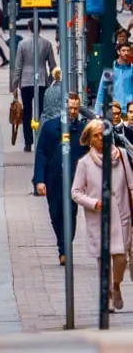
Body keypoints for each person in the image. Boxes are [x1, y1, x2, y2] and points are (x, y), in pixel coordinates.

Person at [72, 118, 133, 310]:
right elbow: (75, 192)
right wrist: (93, 203)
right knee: (104, 259)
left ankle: (116, 285)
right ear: (90, 140)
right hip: (100, 218)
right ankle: (106, 295)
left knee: (121, 258)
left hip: (121, 214)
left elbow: (131, 184)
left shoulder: (121, 155)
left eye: (104, 135)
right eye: (97, 136)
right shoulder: (84, 164)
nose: (101, 139)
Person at [36, 93, 90, 264]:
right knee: (55, 213)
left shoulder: (82, 130)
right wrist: (39, 180)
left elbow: (88, 155)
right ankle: (62, 244)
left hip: (74, 180)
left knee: (71, 213)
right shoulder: (51, 127)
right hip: (53, 179)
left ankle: (64, 248)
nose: (73, 111)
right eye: (70, 108)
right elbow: (41, 154)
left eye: (76, 108)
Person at [11, 21, 58, 152]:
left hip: (26, 82)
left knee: (27, 112)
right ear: (41, 28)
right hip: (42, 81)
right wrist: (49, 80)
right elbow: (53, 65)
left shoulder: (22, 44)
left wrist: (14, 84)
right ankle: (41, 139)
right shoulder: (47, 44)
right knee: (42, 112)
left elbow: (18, 66)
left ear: (28, 28)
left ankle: (28, 142)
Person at [95, 43, 133, 114]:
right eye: (123, 50)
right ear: (118, 52)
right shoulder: (110, 68)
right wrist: (97, 111)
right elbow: (102, 89)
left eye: (128, 51)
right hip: (112, 110)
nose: (126, 53)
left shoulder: (132, 68)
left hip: (129, 111)